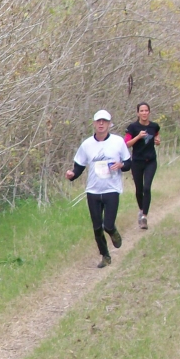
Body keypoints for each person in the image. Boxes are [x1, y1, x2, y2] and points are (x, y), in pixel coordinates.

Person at [65, 110, 132, 268]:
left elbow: (128, 163)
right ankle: (105, 256)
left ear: (109, 124)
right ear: (94, 124)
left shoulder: (118, 142)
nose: (101, 124)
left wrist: (121, 165)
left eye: (104, 121)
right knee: (97, 227)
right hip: (93, 190)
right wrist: (72, 174)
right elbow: (79, 166)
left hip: (112, 189)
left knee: (107, 225)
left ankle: (113, 233)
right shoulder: (87, 144)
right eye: (98, 121)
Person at [123, 102, 161, 229]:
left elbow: (156, 136)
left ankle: (144, 216)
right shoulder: (132, 127)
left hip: (151, 161)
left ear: (149, 112)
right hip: (137, 162)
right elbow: (126, 144)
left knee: (146, 188)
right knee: (139, 190)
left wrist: (157, 141)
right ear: (138, 113)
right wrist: (138, 137)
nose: (144, 113)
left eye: (146, 110)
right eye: (142, 111)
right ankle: (141, 210)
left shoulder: (154, 126)